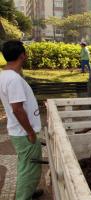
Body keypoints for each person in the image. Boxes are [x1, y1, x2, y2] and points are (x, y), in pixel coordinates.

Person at [0, 40, 43, 200]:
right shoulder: (14, 79)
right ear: (22, 55)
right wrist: (30, 132)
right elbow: (17, 109)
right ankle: (24, 196)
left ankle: (29, 191)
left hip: (17, 130)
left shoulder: (4, 75)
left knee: (25, 164)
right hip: (23, 132)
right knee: (29, 168)